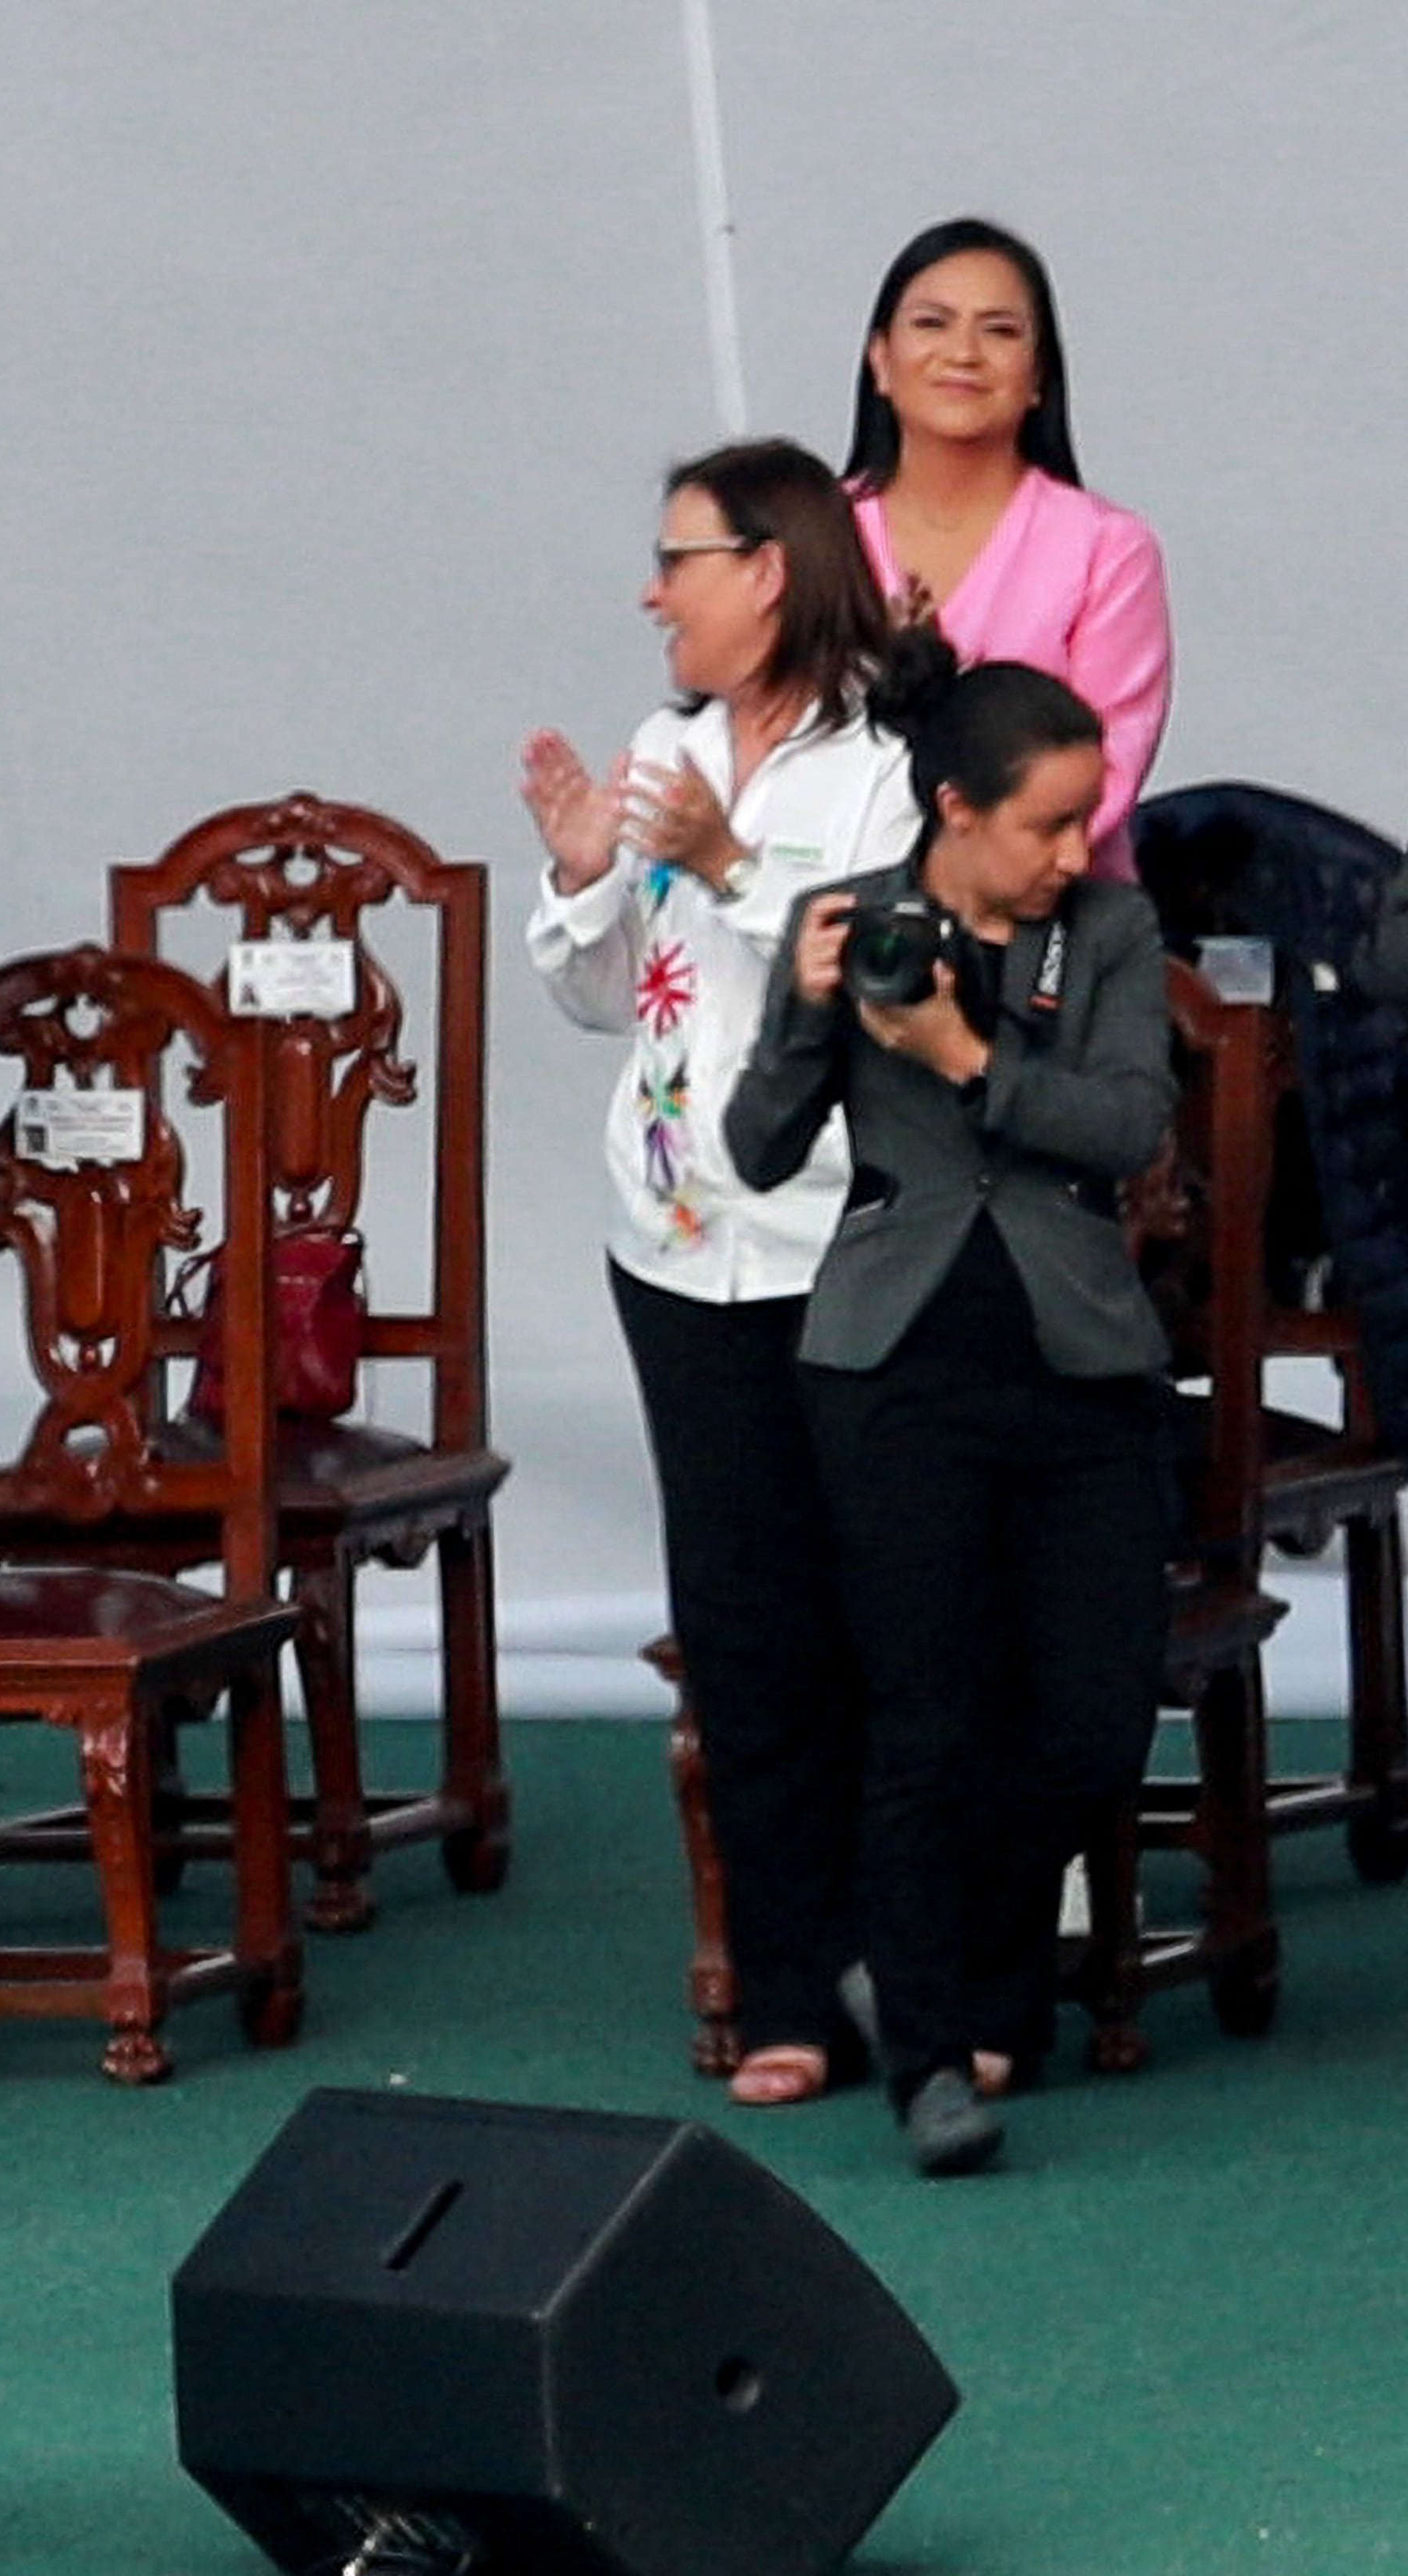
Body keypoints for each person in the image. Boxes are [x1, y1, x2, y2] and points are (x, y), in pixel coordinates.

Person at [726, 653, 1171, 2178]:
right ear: (954, 807)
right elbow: (759, 1145)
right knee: (927, 1711)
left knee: (1097, 1720)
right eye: (1047, 824)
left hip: (1083, 1360)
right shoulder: (848, 918)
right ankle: (931, 2054)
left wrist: (972, 1057)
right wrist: (800, 1014)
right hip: (891, 1365)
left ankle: (935, 1967)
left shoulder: (1109, 930)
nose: (1071, 853)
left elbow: (1125, 1124)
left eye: (1084, 822)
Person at [520, 439, 918, 2109]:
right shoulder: (671, 745)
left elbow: (890, 979)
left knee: (883, 1620)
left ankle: (915, 1967)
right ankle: (780, 1993)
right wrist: (581, 868)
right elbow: (610, 994)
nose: (649, 591)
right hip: (676, 1242)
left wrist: (737, 865)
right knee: (743, 1627)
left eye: (677, 557)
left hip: (845, 1238)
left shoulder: (889, 761)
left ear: (770, 566)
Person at [844, 217, 1170, 876]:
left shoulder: (1108, 548)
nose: (963, 352)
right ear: (880, 360)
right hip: (831, 906)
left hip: (1050, 923)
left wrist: (962, 872)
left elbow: (1106, 776)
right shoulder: (816, 532)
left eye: (1000, 331)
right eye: (932, 324)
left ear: (1039, 377)